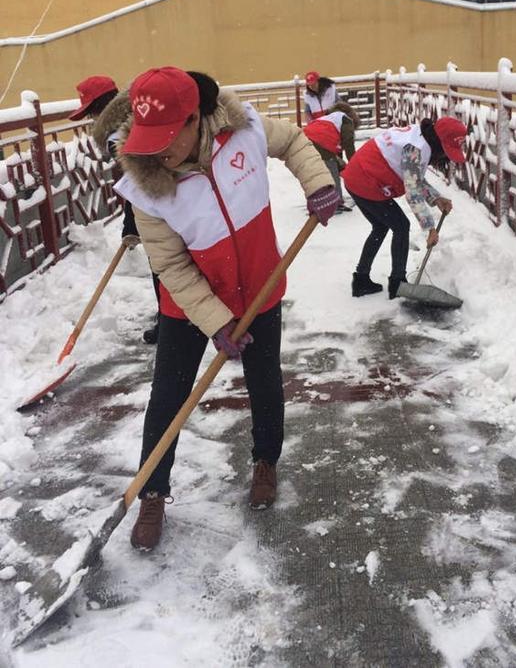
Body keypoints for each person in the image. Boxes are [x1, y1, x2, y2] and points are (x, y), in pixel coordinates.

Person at [114, 66, 340, 551]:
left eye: (168, 136)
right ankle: (152, 490)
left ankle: (265, 462)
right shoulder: (146, 187)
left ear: (197, 118)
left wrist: (317, 183)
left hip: (260, 286)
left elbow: (295, 141)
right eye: (148, 138)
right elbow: (170, 266)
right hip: (189, 307)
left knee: (264, 381)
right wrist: (216, 321)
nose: (158, 151)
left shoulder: (245, 130)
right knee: (168, 398)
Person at [71, 75, 161, 344]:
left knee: (164, 264)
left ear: (100, 108)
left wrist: (133, 223)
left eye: (90, 113)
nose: (91, 120)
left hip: (159, 208)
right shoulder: (141, 115)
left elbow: (138, 182)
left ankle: (171, 321)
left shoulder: (115, 137)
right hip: (179, 197)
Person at [341, 117, 467, 300]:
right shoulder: (415, 148)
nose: (444, 156)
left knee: (381, 227)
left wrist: (436, 198)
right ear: (439, 142)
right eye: (446, 151)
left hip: (358, 175)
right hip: (366, 180)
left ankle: (361, 279)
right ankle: (397, 283)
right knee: (401, 226)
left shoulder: (419, 138)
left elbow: (412, 176)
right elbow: (413, 192)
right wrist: (430, 229)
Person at [303, 101, 360, 212]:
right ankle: (335, 203)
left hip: (304, 142)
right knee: (332, 172)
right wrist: (354, 165)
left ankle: (315, 202)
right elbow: (348, 144)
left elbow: (337, 151)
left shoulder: (327, 118)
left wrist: (342, 165)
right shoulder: (346, 120)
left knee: (316, 175)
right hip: (320, 143)